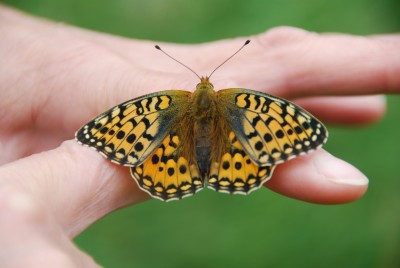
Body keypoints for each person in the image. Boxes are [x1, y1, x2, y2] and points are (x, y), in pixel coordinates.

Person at [0, 4, 398, 267]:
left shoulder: (163, 104)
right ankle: (226, 172)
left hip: (168, 157)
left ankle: (187, 174)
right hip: (236, 157)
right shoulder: (242, 102)